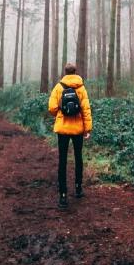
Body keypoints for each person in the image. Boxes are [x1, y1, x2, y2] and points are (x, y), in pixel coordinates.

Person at [48, 63, 93, 209]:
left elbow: (52, 108)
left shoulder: (58, 87)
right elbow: (86, 109)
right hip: (78, 129)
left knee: (62, 160)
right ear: (76, 72)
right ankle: (79, 188)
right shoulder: (81, 88)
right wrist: (87, 129)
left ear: (65, 72)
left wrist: (61, 111)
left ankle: (63, 196)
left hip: (62, 129)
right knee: (78, 158)